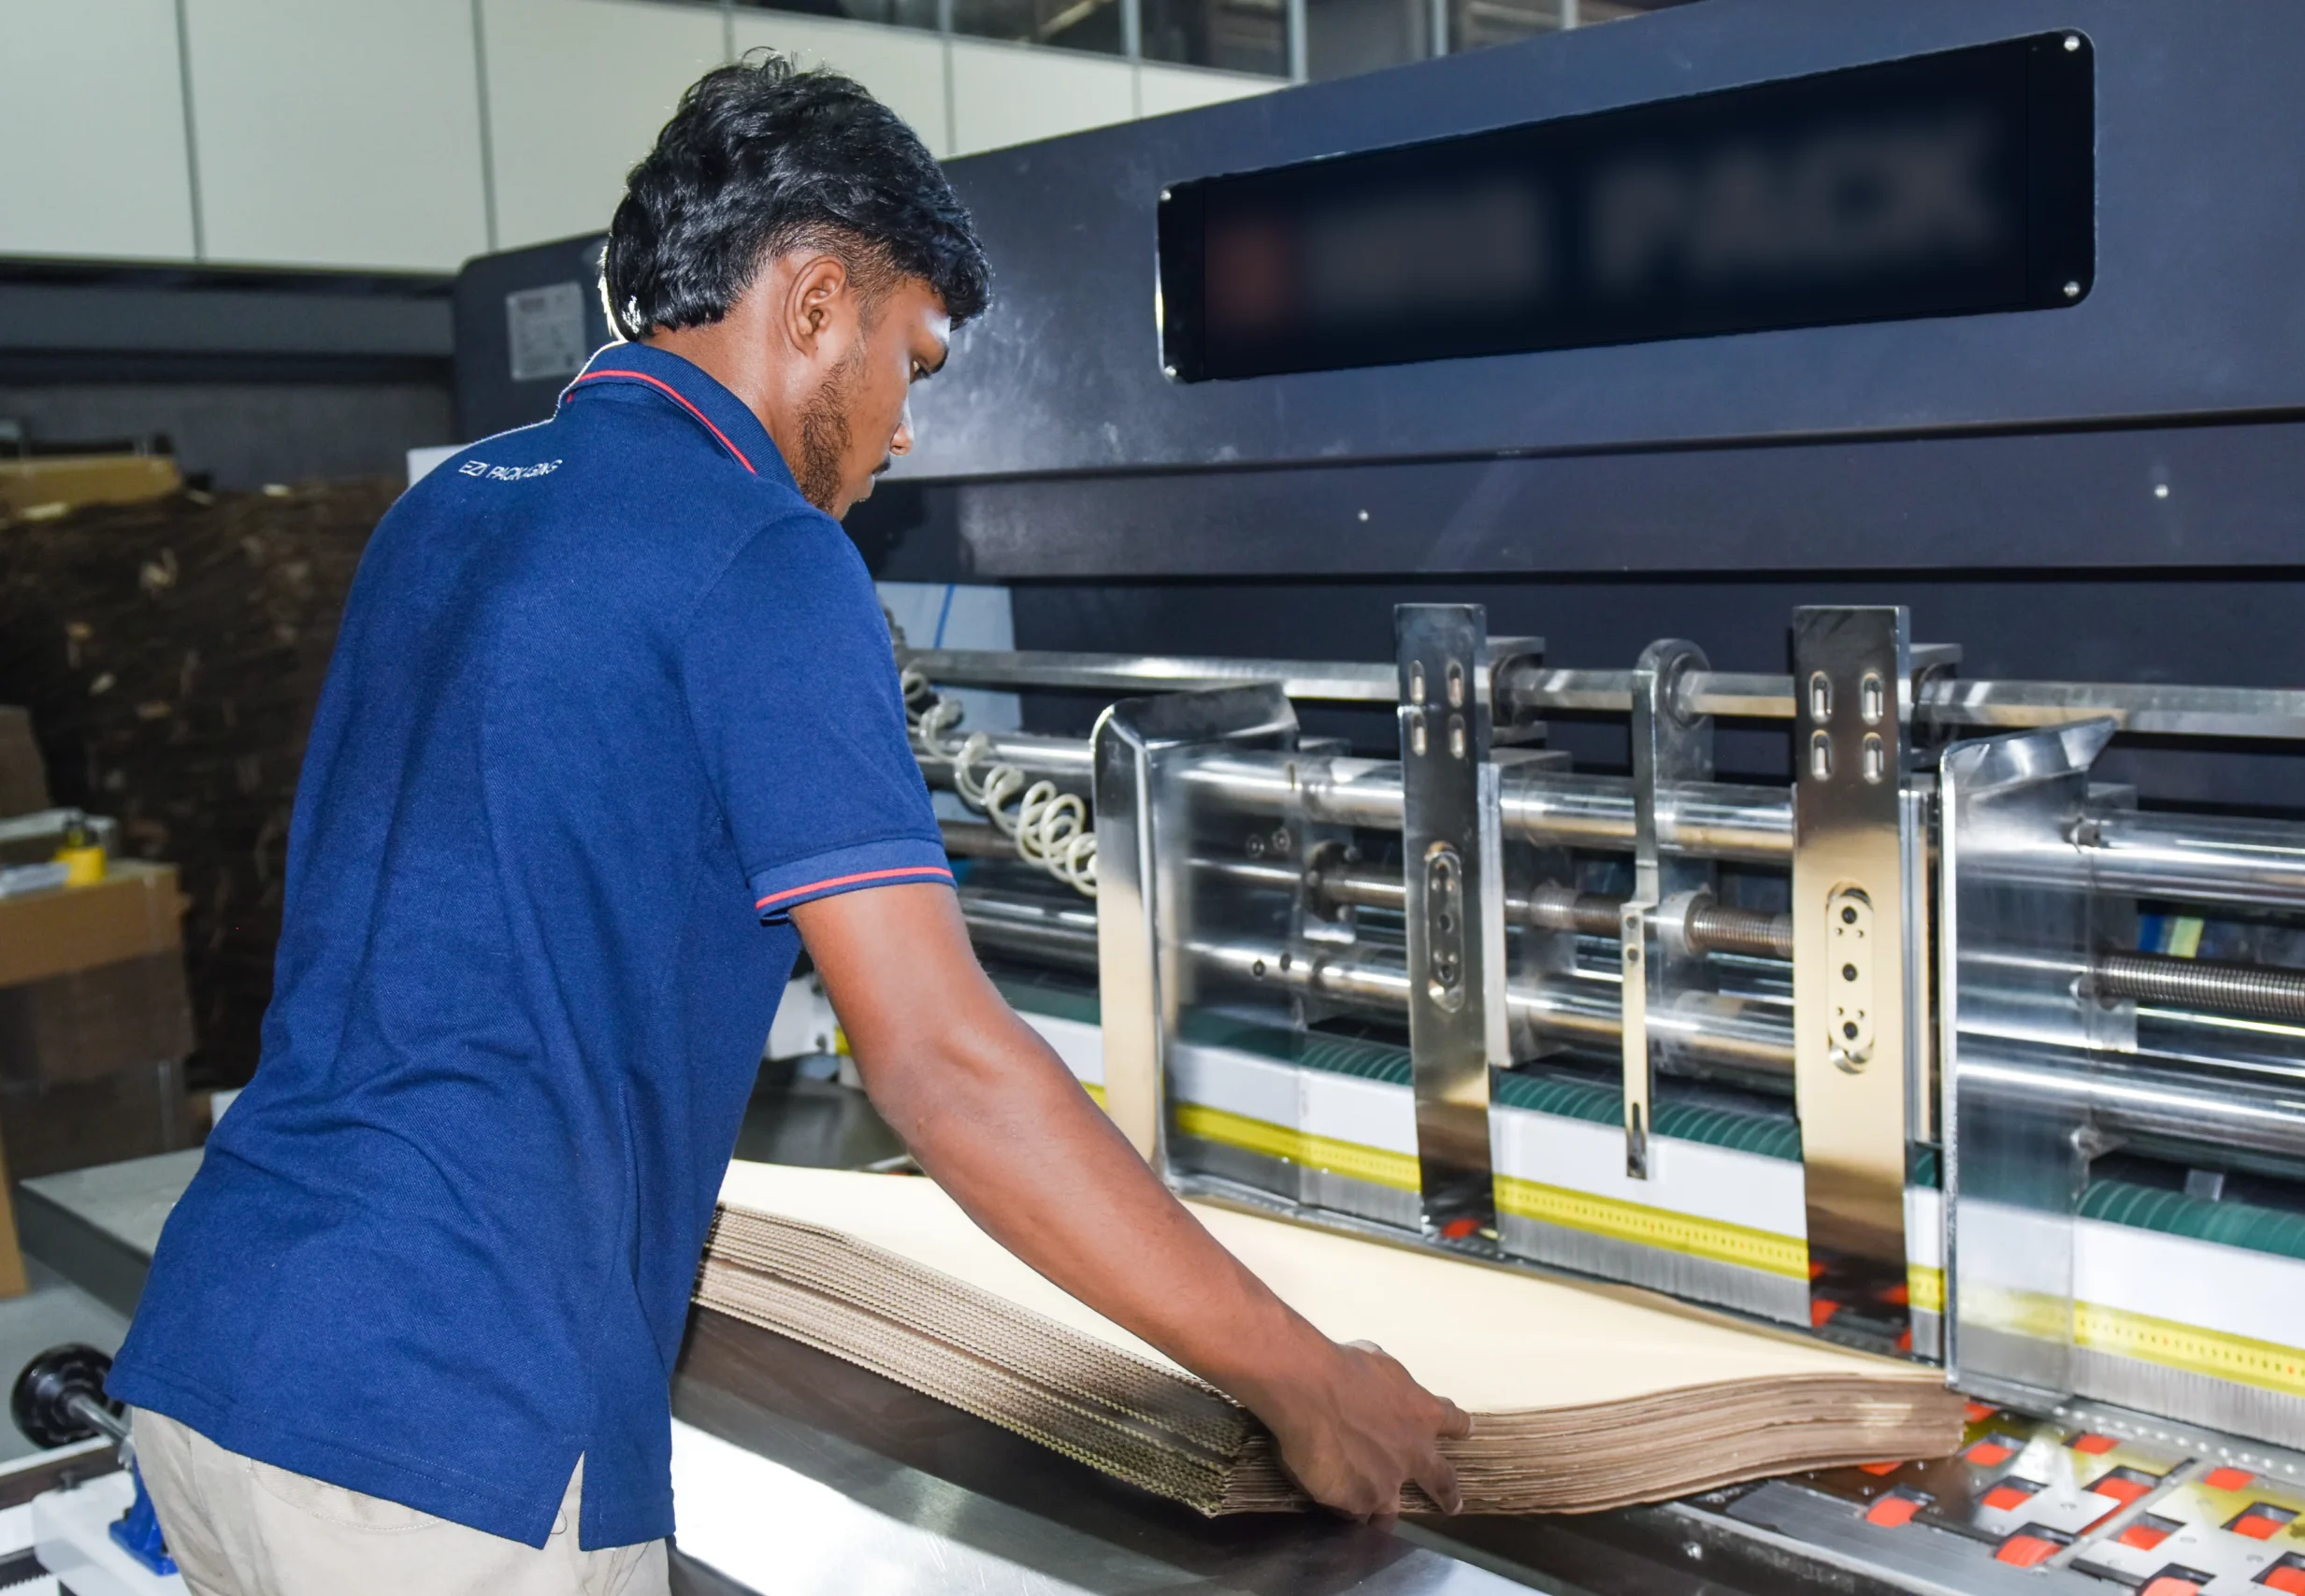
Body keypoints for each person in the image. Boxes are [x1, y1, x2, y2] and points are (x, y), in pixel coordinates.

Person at [108, 57, 1469, 1596]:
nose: (901, 433)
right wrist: (1304, 1377)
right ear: (817, 301)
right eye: (915, 358)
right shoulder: (762, 551)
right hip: (453, 1445)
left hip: (223, 1355)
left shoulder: (449, 508)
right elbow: (941, 1064)